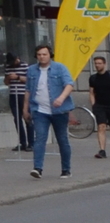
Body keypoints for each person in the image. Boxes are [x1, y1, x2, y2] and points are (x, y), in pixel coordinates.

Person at [27, 45, 70, 177]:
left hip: (59, 110)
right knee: (40, 138)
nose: (42, 57)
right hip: (40, 110)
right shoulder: (31, 70)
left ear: (50, 55)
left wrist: (61, 98)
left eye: (44, 54)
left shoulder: (60, 68)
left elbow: (69, 84)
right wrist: (25, 108)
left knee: (62, 139)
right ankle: (37, 168)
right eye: (39, 54)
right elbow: (28, 90)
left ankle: (66, 169)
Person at [5, 55, 24, 151]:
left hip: (24, 95)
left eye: (14, 62)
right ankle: (22, 142)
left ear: (17, 58)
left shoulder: (26, 66)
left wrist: (17, 77)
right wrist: (8, 78)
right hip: (13, 95)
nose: (13, 64)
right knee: (17, 119)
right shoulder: (8, 68)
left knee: (27, 118)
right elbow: (6, 83)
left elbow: (31, 80)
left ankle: (31, 142)